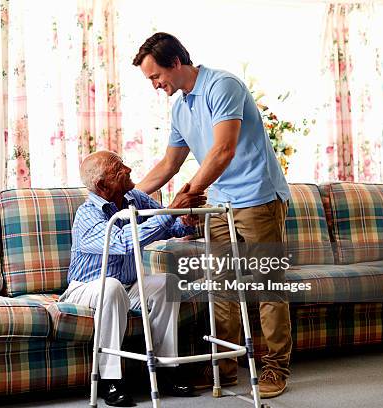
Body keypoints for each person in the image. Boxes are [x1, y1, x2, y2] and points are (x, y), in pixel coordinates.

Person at [132, 32, 292, 399]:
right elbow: (169, 164)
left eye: (156, 77)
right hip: (219, 204)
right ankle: (224, 367)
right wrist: (131, 198)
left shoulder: (223, 86)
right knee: (221, 288)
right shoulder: (180, 107)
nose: (156, 86)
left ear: (175, 62)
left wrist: (187, 194)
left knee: (267, 286)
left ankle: (275, 369)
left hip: (257, 198)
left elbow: (223, 150)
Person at [61, 150, 206, 407]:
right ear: (102, 185)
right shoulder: (87, 215)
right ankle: (110, 379)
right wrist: (172, 211)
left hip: (128, 286)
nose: (128, 168)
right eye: (118, 168)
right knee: (112, 287)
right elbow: (122, 243)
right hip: (87, 288)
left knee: (166, 283)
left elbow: (170, 225)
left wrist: (185, 219)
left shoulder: (134, 198)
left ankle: (166, 369)